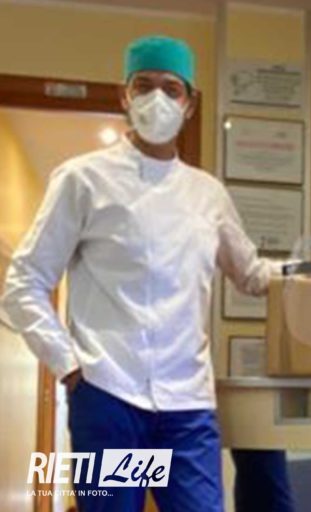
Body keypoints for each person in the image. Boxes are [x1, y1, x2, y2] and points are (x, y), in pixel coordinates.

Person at [2, 35, 288, 512]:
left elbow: (252, 274)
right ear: (125, 96)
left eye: (171, 89)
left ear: (189, 103)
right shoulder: (82, 179)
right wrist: (69, 367)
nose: (158, 99)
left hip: (187, 406)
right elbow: (23, 282)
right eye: (144, 86)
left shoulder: (208, 195)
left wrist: (308, 272)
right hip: (108, 398)